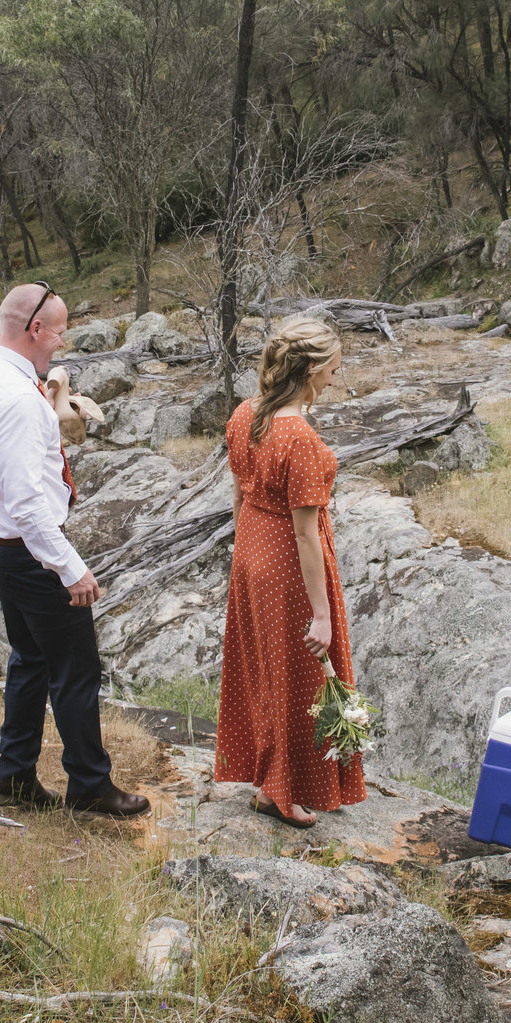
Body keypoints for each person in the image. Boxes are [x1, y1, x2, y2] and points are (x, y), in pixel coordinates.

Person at [0, 282, 149, 819]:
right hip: (29, 551)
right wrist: (70, 568)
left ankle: (13, 777)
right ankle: (89, 785)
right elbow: (27, 503)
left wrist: (56, 389)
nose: (63, 343)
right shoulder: (16, 400)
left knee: (31, 660)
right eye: (60, 332)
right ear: (36, 329)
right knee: (76, 669)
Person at [216, 317, 364, 828]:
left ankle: (268, 779)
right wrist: (322, 615)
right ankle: (284, 790)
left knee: (263, 667)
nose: (333, 380)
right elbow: (305, 535)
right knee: (298, 672)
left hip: (252, 551)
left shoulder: (244, 413)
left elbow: (238, 495)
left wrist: (246, 555)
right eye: (332, 371)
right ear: (312, 370)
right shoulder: (297, 435)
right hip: (285, 562)